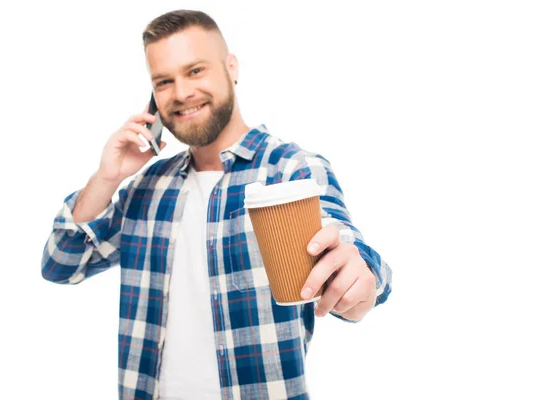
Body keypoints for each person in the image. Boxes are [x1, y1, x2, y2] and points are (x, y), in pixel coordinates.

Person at [41, 9, 392, 400]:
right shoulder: (146, 187)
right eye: (163, 81)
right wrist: (107, 177)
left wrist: (363, 272)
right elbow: (61, 265)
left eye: (195, 71)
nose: (180, 93)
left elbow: (344, 241)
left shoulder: (291, 169)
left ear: (231, 68)